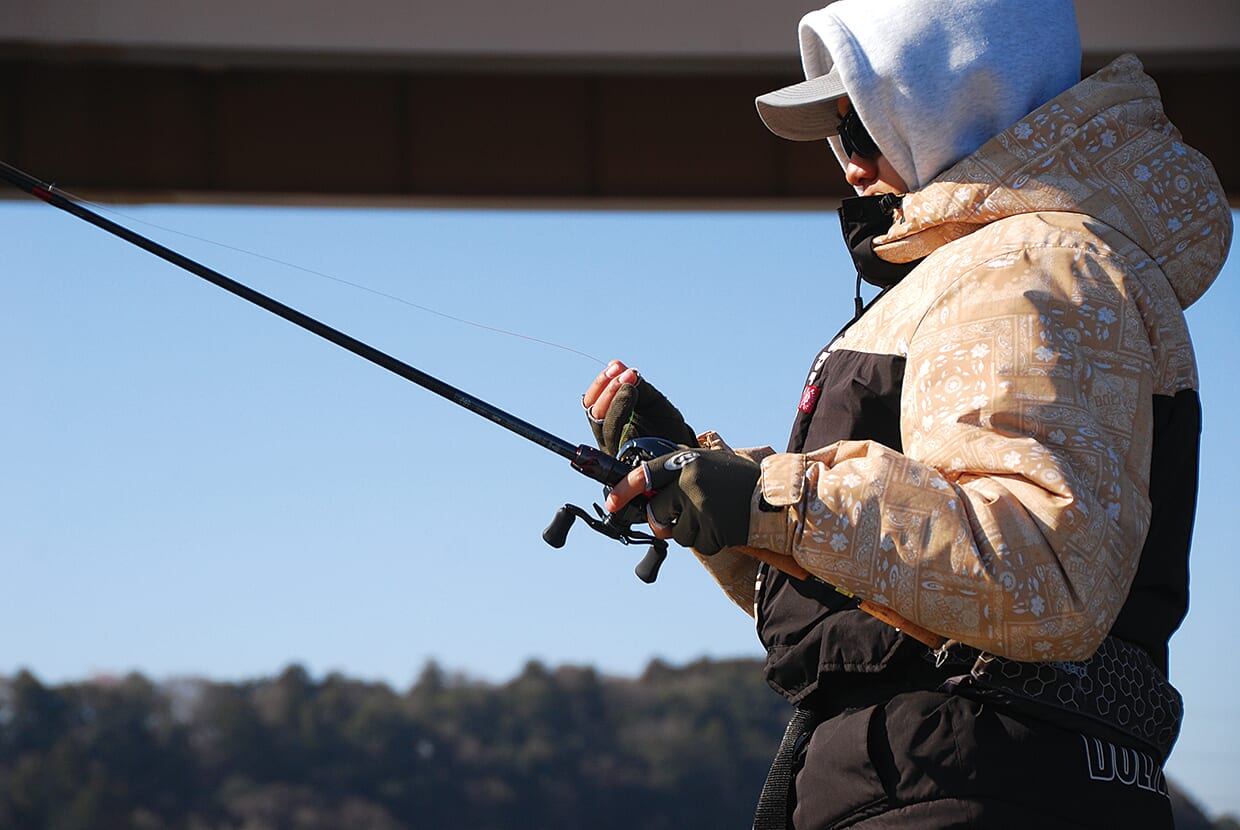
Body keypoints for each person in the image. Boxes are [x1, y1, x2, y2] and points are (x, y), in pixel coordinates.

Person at [582, 0, 1232, 827]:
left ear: (953, 100)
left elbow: (1044, 569)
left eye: (861, 126)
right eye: (837, 136)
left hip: (971, 788)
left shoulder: (1032, 265)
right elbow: (896, 608)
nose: (850, 165)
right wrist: (710, 493)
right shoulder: (1004, 267)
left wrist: (770, 497)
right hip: (951, 779)